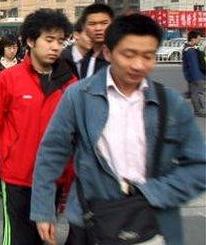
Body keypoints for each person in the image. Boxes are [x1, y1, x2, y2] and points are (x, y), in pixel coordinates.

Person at [31, 14, 206, 245]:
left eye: (148, 56)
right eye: (129, 54)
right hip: (93, 220)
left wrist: (153, 192)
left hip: (152, 224)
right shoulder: (79, 96)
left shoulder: (170, 103)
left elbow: (199, 166)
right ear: (108, 53)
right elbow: (52, 153)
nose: (138, 65)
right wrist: (43, 210)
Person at [0, 9, 76, 245]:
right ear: (30, 41)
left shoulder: (70, 82)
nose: (55, 47)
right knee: (18, 237)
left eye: (60, 41)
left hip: (53, 179)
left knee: (44, 237)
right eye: (48, 40)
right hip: (17, 176)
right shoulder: (9, 79)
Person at [79, 3, 114, 78]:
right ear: (83, 27)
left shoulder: (116, 58)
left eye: (104, 23)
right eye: (92, 24)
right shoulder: (85, 59)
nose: (98, 28)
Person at [182, 30, 206, 117]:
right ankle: (198, 111)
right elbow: (193, 66)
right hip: (196, 76)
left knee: (192, 92)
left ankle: (199, 109)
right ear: (193, 39)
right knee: (195, 93)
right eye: (198, 39)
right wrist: (197, 78)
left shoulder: (190, 48)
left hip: (195, 76)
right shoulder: (190, 51)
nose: (199, 41)